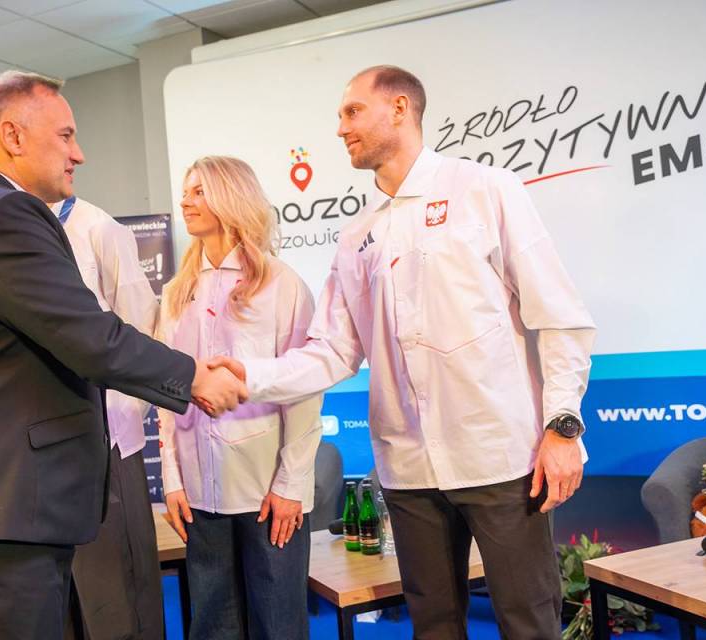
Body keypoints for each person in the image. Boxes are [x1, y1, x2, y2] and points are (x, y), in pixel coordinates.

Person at [214, 66, 597, 639]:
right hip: (408, 468)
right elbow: (331, 351)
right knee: (433, 625)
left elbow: (560, 316)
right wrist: (248, 376)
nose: (340, 128)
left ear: (399, 108)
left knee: (528, 622)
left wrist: (562, 427)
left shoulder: (485, 189)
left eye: (352, 112)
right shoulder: (357, 237)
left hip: (498, 454)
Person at [0, 71, 246, 640]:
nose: (78, 154)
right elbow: (88, 336)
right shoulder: (3, 213)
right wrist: (195, 378)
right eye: (65, 136)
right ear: (13, 135)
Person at [158, 156, 323, 640]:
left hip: (266, 494)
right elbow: (167, 392)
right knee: (213, 626)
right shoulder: (177, 291)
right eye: (186, 191)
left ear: (231, 197)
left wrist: (291, 484)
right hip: (199, 493)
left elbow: (304, 391)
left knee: (278, 626)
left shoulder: (281, 284)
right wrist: (172, 480)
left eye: (199, 191)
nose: (186, 201)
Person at [48, 194, 165, 640]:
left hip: (106, 446)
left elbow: (141, 333)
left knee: (118, 601)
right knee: (60, 600)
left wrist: (113, 419)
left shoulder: (99, 228)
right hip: (44, 450)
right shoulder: (15, 227)